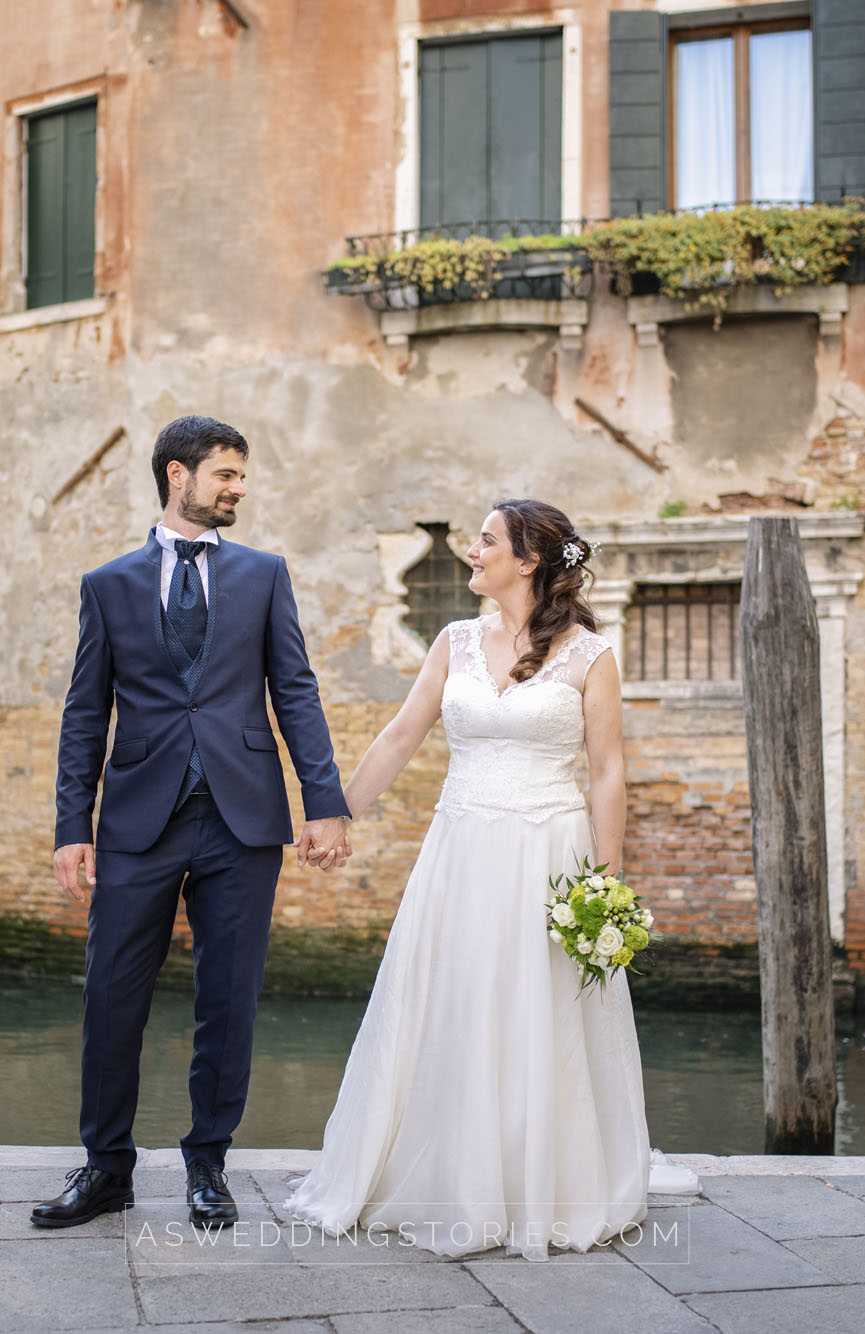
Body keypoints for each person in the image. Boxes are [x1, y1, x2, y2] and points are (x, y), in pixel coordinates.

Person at [285, 498, 663, 1260]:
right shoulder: (454, 642)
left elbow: (608, 770)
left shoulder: (590, 654)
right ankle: (449, 1175)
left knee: (539, 1011)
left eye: (486, 541)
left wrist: (607, 885)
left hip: (551, 860)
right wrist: (335, 813)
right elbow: (400, 735)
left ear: (528, 559)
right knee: (451, 1003)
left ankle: (542, 1183)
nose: (471, 551)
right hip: (460, 852)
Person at [35, 415, 352, 1232]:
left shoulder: (264, 574)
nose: (239, 488)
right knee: (111, 994)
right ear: (179, 475)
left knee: (229, 998)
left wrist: (324, 803)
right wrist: (75, 825)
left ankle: (207, 1164)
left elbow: (297, 692)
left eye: (242, 476)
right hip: (138, 819)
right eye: (227, 474)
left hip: (243, 818)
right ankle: (106, 1167)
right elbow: (83, 715)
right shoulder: (107, 585)